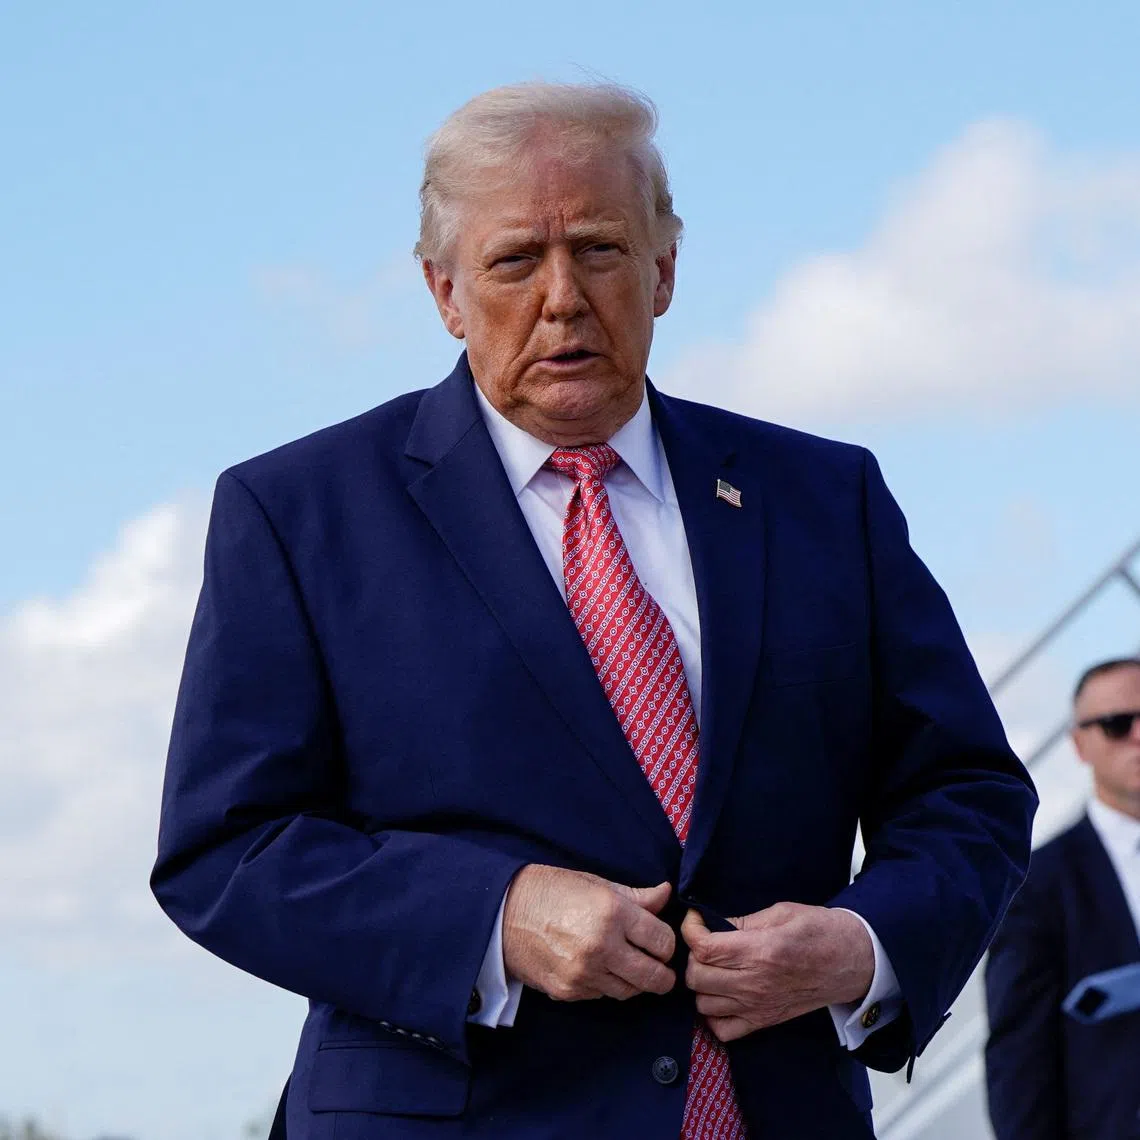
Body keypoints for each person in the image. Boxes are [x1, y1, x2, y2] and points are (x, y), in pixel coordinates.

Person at [152, 82, 1036, 1140]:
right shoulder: (297, 513)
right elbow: (226, 849)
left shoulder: (824, 497)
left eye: (603, 251)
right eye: (516, 259)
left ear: (664, 271)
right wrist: (494, 918)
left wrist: (864, 945)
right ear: (444, 291)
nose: (563, 297)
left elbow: (966, 791)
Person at [985, 657, 1140, 1139]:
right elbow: (1019, 1060)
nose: (1139, 735)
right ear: (1079, 743)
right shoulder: (1037, 885)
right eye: (1118, 724)